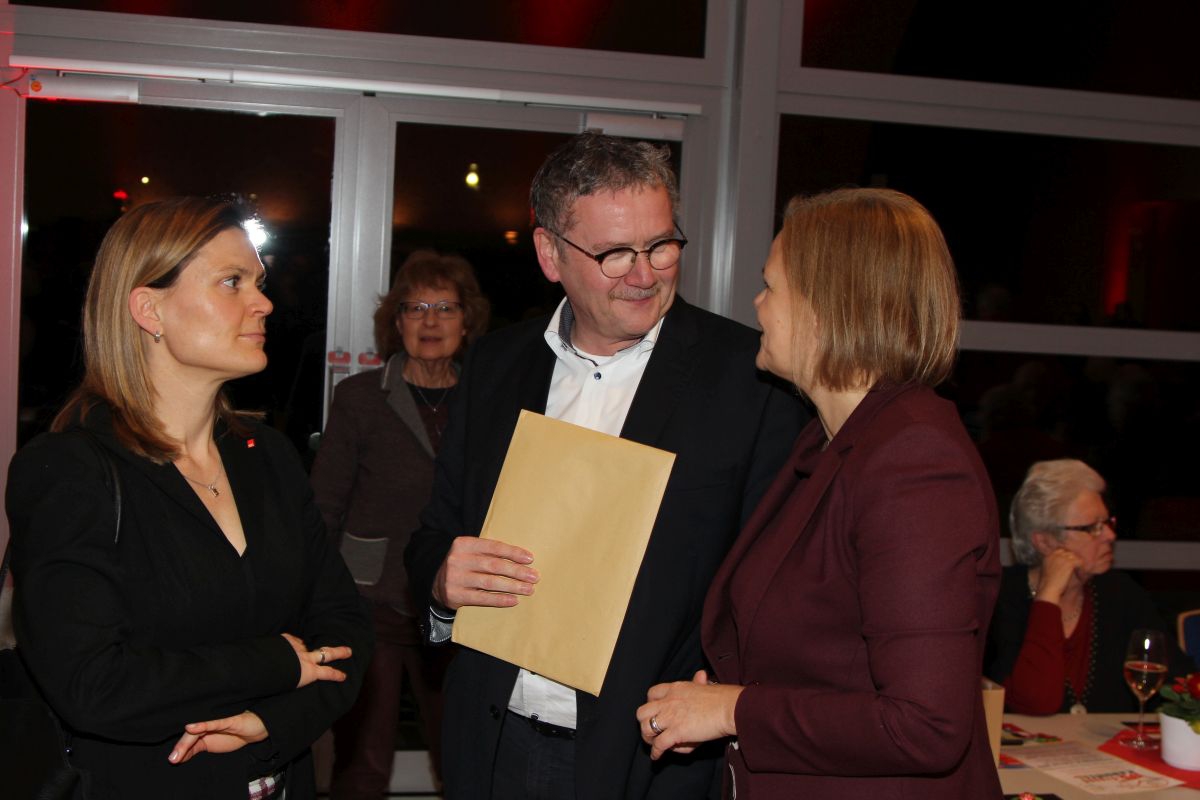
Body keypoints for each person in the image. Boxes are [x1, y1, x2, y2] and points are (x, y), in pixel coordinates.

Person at [403, 132, 804, 799]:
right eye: (615, 253)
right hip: (492, 742)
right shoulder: (497, 366)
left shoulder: (750, 379)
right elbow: (433, 533)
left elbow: (778, 588)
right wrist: (443, 582)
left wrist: (729, 696)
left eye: (661, 245)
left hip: (649, 763)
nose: (644, 274)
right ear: (549, 254)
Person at [636, 187, 1003, 798]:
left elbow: (926, 725)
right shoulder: (828, 442)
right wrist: (718, 701)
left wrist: (732, 710)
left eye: (772, 286)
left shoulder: (913, 463)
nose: (757, 304)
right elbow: (823, 656)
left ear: (828, 307)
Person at [5, 197, 373, 800]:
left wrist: (272, 723)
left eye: (258, 282)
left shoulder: (268, 455)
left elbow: (345, 626)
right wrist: (276, 663)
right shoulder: (70, 469)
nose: (264, 303)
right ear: (148, 309)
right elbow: (93, 684)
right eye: (232, 282)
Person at [312, 250, 489, 798]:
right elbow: (324, 505)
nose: (431, 321)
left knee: (462, 757)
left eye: (445, 307)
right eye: (416, 308)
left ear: (467, 321)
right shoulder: (359, 398)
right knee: (362, 764)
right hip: (371, 602)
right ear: (397, 322)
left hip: (459, 609)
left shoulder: (486, 399)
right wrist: (315, 598)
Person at [985, 458, 1189, 714]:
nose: (1110, 536)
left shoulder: (1121, 593)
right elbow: (1035, 701)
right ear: (1045, 542)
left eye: (1108, 522)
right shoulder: (999, 599)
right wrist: (1048, 597)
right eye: (1092, 528)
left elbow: (1181, 687)